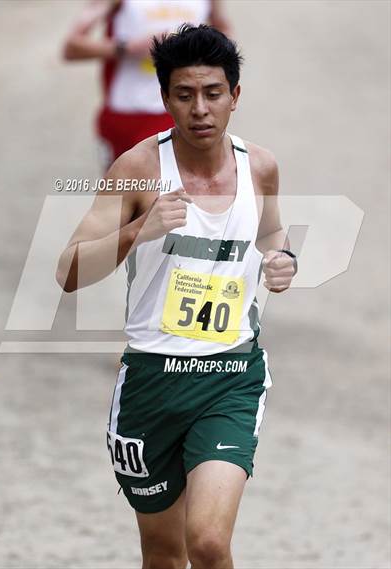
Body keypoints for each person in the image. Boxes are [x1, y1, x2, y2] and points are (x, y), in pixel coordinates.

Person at [57, 24, 297, 569]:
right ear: (164, 98)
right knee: (164, 555)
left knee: (208, 542)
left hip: (230, 377)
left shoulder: (260, 166)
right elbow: (68, 272)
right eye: (184, 95)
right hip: (150, 381)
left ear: (235, 96)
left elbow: (271, 235)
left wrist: (285, 261)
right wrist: (136, 231)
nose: (200, 110)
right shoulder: (136, 170)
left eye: (213, 93)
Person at [63, 0, 231, 171]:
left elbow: (226, 33)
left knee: (184, 193)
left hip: (181, 112)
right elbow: (71, 47)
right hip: (127, 115)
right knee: (123, 194)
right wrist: (129, 47)